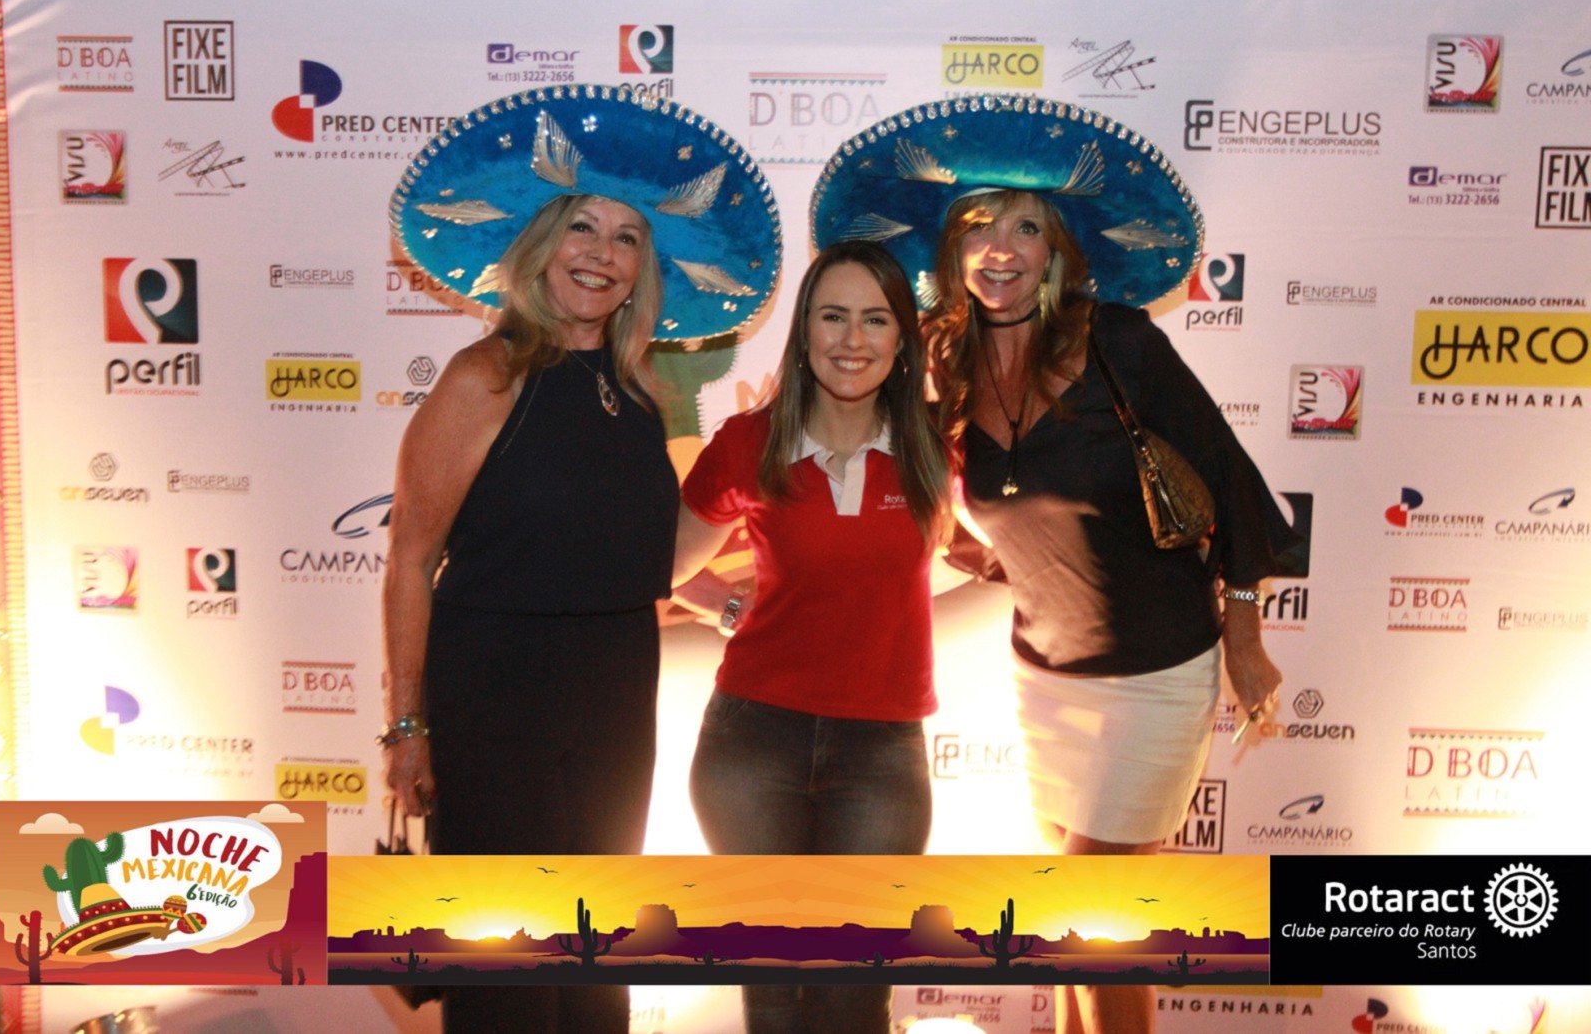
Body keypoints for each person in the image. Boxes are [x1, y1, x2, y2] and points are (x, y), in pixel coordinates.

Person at [813, 96, 1300, 1034]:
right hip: (1043, 677)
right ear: (952, 248)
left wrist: (1245, 639)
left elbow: (1235, 484)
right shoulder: (946, 361)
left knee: (1091, 918)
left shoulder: (1120, 344)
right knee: (1074, 927)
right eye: (978, 227)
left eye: (1026, 227)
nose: (1000, 248)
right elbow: (929, 502)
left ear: (1058, 251)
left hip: (1156, 673)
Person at [380, 85, 781, 1034]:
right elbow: (409, 559)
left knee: (598, 958)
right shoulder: (486, 377)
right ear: (541, 243)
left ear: (645, 268)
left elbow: (637, 557)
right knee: (509, 964)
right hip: (496, 691)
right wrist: (406, 728)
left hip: (613, 692)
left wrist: (742, 585)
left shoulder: (635, 391)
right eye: (582, 227)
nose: (602, 253)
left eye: (627, 237)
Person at [672, 241, 951, 1034]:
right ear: (804, 331)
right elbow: (661, 562)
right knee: (773, 997)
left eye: (875, 319)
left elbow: (1017, 536)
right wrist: (728, 607)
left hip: (882, 754)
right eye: (833, 316)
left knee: (853, 997)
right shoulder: (749, 441)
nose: (852, 339)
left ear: (902, 339)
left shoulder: (938, 446)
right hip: (752, 742)